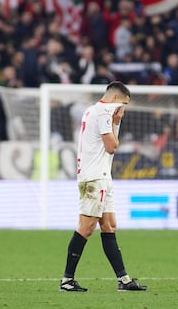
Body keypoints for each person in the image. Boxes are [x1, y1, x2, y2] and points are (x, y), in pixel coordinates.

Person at [59, 81, 147, 292]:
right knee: (86, 227)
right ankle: (67, 280)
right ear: (115, 99)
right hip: (94, 177)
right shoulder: (104, 112)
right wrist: (116, 123)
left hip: (102, 176)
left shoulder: (92, 110)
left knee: (109, 225)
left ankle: (124, 280)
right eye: (124, 104)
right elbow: (111, 147)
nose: (123, 110)